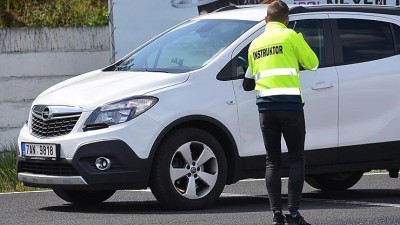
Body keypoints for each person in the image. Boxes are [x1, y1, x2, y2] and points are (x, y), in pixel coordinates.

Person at [243, 1, 319, 224]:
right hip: (291, 108)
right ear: (287, 20)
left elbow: (248, 82)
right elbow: (313, 63)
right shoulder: (291, 37)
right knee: (296, 159)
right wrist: (299, 42)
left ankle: (276, 215)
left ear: (266, 20)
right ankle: (293, 214)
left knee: (272, 161)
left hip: (266, 110)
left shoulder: (255, 44)